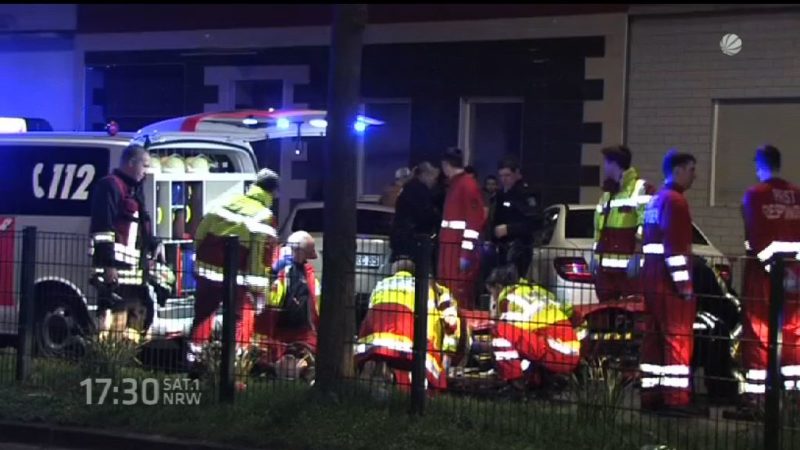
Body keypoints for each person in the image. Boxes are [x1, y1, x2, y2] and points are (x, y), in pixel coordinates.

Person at [188, 168, 279, 366]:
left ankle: (194, 359)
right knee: (236, 318)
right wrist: (257, 289)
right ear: (273, 193)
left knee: (203, 314)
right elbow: (258, 256)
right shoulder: (264, 216)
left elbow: (201, 231)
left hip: (206, 269)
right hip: (234, 276)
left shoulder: (226, 200)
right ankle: (233, 363)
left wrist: (199, 257)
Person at [735, 145, 800, 417]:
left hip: (762, 276)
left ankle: (757, 401)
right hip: (796, 274)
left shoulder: (754, 195)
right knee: (794, 334)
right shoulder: (796, 194)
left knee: (758, 335)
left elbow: (757, 237)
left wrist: (775, 269)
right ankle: (794, 398)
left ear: (759, 164)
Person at [639, 149, 703, 417]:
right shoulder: (676, 202)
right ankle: (676, 399)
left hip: (652, 280)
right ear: (677, 170)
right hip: (669, 284)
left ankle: (651, 396)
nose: (694, 176)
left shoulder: (656, 201)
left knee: (653, 339)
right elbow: (675, 250)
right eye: (691, 169)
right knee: (678, 339)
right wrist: (685, 287)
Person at [89, 144, 173, 343]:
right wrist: (109, 265)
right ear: (130, 163)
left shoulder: (135, 189)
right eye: (144, 166)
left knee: (138, 314)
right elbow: (102, 228)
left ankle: (124, 358)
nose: (146, 172)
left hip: (133, 269)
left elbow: (141, 223)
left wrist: (154, 244)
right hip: (114, 269)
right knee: (113, 315)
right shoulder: (109, 186)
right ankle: (107, 359)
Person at [355, 258, 460, 391]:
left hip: (374, 327)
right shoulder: (423, 287)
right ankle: (418, 397)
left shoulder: (381, 284)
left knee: (374, 358)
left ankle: (363, 393)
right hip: (405, 329)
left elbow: (372, 307)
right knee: (418, 364)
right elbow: (439, 320)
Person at [487, 265, 580, 391]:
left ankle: (515, 383)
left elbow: (514, 340)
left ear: (498, 287)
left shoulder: (511, 299)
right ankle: (546, 379)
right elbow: (573, 314)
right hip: (570, 354)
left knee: (500, 330)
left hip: (553, 353)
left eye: (492, 293)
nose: (493, 299)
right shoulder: (538, 291)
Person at [254, 230, 321, 382]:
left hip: (297, 329)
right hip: (285, 328)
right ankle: (289, 369)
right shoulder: (285, 271)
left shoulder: (299, 270)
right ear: (298, 251)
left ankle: (287, 369)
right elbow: (273, 301)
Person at [592, 145, 655, 302]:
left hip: (629, 272)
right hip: (606, 272)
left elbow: (647, 222)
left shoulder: (640, 188)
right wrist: (596, 258)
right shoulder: (607, 194)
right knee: (606, 314)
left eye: (606, 163)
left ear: (614, 164)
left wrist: (638, 253)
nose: (604, 168)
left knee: (632, 313)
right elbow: (599, 230)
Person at [438, 147, 486, 310]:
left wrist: (465, 254)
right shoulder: (459, 184)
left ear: (445, 165)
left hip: (456, 251)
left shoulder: (465, 185)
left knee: (458, 296)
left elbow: (474, 223)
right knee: (449, 293)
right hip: (451, 250)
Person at [491, 156, 542, 279]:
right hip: (502, 247)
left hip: (520, 248)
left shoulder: (525, 193)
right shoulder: (501, 194)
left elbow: (534, 222)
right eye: (501, 176)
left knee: (514, 283)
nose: (504, 179)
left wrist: (509, 229)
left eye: (507, 175)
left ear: (517, 174)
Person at [390, 161, 441, 262]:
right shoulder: (419, 191)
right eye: (433, 177)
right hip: (412, 239)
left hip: (404, 238)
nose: (434, 182)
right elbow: (424, 215)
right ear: (425, 175)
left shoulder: (411, 188)